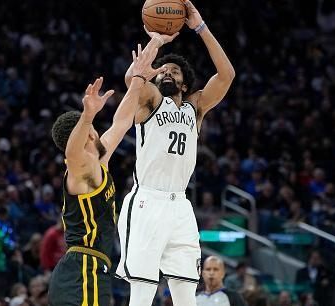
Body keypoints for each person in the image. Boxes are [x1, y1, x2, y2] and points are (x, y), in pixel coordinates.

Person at [116, 1, 235, 305]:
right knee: (142, 293)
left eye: (175, 70)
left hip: (180, 205)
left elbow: (227, 74)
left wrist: (200, 27)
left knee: (186, 295)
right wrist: (157, 40)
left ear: (185, 80)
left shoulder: (195, 106)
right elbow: (132, 81)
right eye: (163, 70)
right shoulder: (151, 100)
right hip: (147, 201)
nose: (168, 73)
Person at [48, 41, 165, 306]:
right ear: (88, 133)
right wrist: (87, 117)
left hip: (92, 268)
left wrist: (138, 77)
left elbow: (122, 122)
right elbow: (74, 153)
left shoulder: (99, 158)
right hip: (82, 268)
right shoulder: (80, 168)